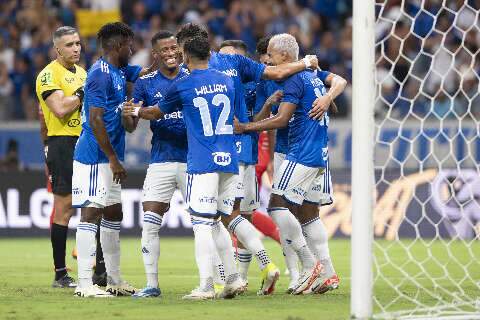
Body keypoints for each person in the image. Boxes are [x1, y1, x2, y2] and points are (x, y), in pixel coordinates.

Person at [174, 23, 319, 295]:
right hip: (243, 152)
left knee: (214, 219)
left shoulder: (189, 73)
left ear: (186, 50)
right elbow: (275, 73)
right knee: (234, 215)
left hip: (208, 154)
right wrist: (305, 62)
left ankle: (231, 276)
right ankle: (237, 277)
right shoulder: (235, 61)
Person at [124, 36, 244, 300]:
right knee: (216, 222)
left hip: (200, 161)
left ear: (186, 56)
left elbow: (155, 113)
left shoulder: (184, 83)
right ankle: (233, 278)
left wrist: (135, 110)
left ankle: (206, 286)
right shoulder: (226, 80)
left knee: (202, 224)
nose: (173, 54)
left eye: (177, 51)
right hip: (226, 159)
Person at [235, 33, 346, 295]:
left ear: (284, 56)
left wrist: (246, 127)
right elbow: (336, 83)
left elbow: (282, 120)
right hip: (319, 153)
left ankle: (309, 266)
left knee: (276, 206)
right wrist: (328, 97)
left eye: (271, 56)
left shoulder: (295, 78)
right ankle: (328, 273)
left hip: (300, 153)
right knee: (309, 213)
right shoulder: (313, 76)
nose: (269, 61)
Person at [71, 22, 142, 298]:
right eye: (128, 45)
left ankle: (114, 279)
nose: (132, 50)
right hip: (94, 157)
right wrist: (112, 159)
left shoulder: (118, 71)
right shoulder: (99, 75)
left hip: (110, 157)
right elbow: (94, 119)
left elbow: (145, 72)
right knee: (91, 212)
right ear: (117, 47)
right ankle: (84, 284)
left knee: (114, 213)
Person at [35, 26, 108, 288]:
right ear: (57, 49)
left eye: (77, 43)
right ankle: (60, 273)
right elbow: (60, 108)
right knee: (64, 208)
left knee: (95, 205)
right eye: (69, 45)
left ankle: (100, 270)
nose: (76, 48)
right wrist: (81, 92)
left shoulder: (83, 73)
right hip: (62, 144)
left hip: (86, 142)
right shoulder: (47, 76)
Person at [125, 30, 189, 298]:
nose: (171, 53)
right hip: (161, 159)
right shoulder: (146, 83)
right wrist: (127, 112)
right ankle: (152, 284)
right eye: (165, 50)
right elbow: (130, 127)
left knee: (208, 221)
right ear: (156, 54)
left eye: (174, 47)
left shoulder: (192, 76)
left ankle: (220, 281)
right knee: (150, 222)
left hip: (193, 160)